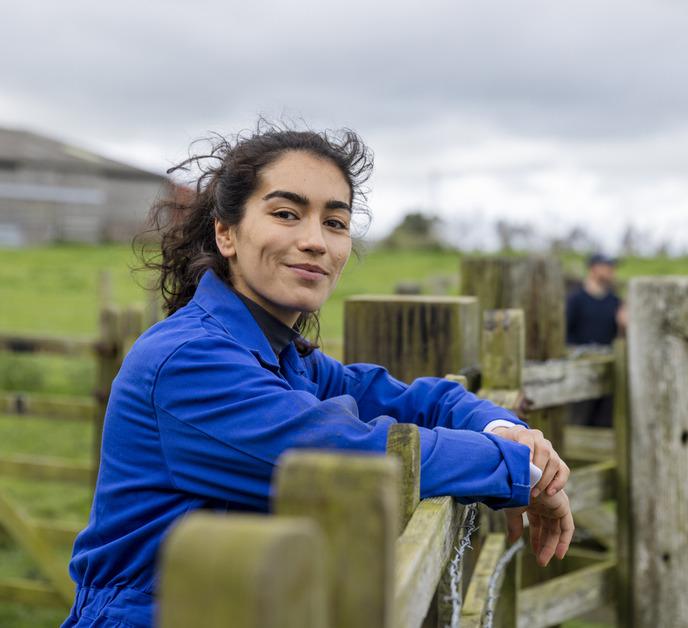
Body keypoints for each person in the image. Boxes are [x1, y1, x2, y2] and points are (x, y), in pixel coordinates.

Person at [63, 125, 573, 627]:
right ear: (226, 233)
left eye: (335, 222)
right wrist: (518, 468)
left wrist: (505, 432)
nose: (315, 241)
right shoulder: (191, 360)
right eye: (286, 214)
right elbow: (354, 454)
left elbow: (416, 400)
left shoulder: (281, 353)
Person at [565, 252, 626, 427]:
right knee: (577, 421)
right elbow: (566, 334)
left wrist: (623, 326)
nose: (611, 271)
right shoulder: (575, 300)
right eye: (607, 266)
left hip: (608, 372)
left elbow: (619, 338)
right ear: (593, 268)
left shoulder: (615, 302)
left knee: (604, 422)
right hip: (580, 372)